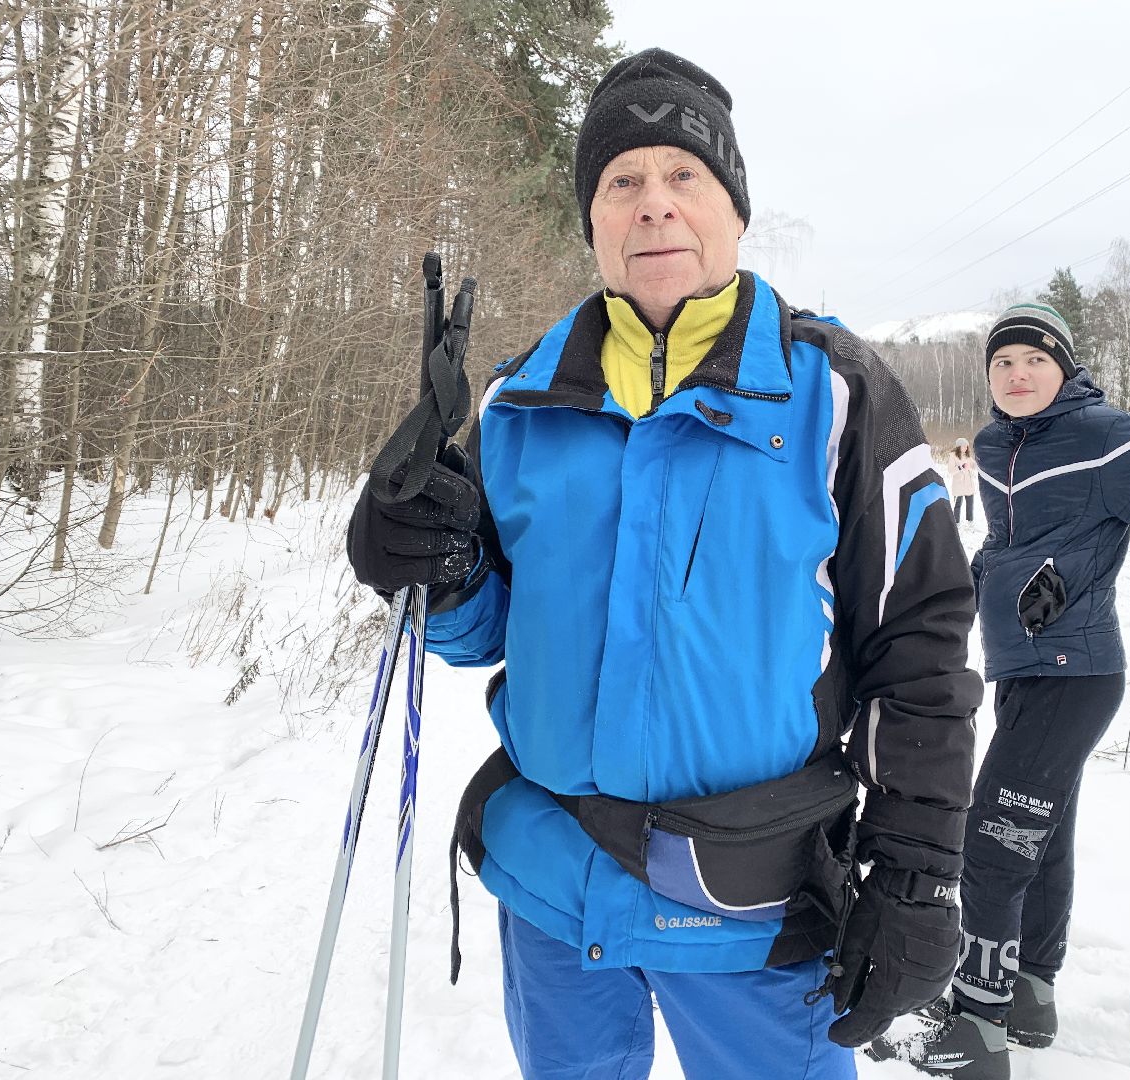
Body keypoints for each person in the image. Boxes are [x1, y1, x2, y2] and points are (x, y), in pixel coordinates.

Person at [345, 48, 984, 1080]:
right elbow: (486, 629)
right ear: (592, 220)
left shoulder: (838, 395)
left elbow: (924, 648)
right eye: (621, 182)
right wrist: (429, 561)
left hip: (751, 909)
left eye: (684, 176)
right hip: (556, 896)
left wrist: (915, 875)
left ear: (733, 209)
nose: (654, 206)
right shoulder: (518, 403)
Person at [869, 302, 1130, 1077]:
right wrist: (984, 581)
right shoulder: (1002, 445)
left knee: (992, 845)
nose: (1016, 373)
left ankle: (977, 1026)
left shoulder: (1104, 437)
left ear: (1064, 368)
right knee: (1041, 841)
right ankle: (1029, 993)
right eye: (1002, 363)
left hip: (1076, 675)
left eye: (1033, 360)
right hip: (1023, 672)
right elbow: (1020, 546)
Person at [948, 437, 977, 523]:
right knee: (958, 505)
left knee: (970, 505)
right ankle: (956, 523)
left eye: (966, 446)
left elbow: (974, 465)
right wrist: (961, 467)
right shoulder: (953, 456)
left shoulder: (967, 456)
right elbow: (950, 470)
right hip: (959, 485)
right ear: (959, 446)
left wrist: (978, 463)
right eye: (964, 446)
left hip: (968, 484)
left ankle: (970, 521)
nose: (966, 448)